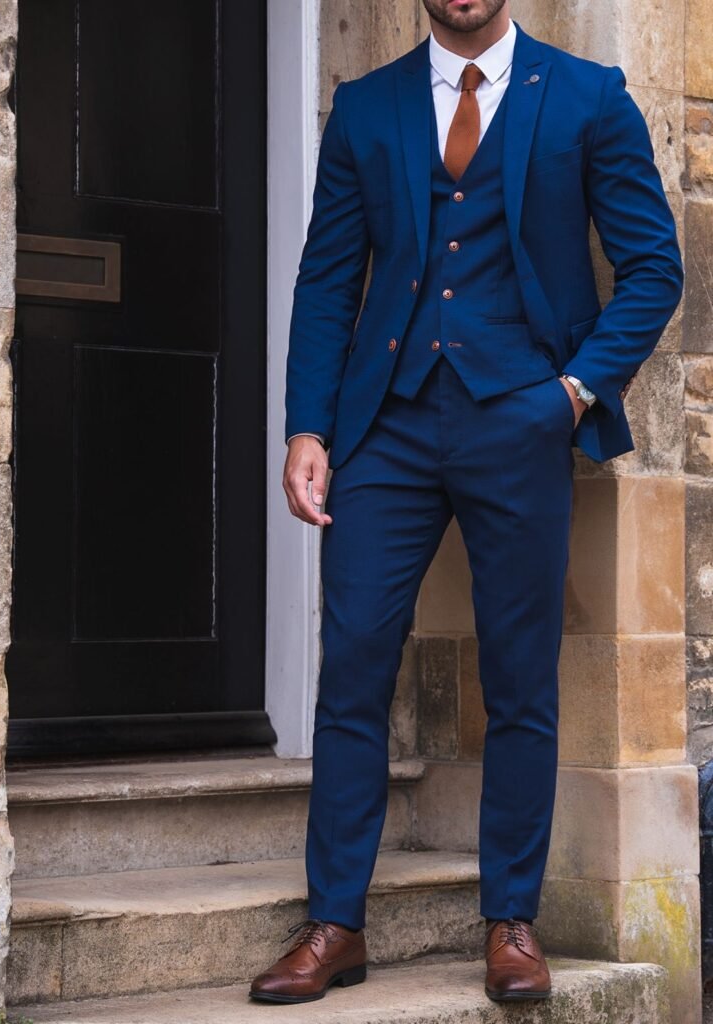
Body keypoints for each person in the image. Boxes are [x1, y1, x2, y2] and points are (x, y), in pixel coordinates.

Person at [250, 0, 683, 1005]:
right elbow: (326, 281)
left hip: (519, 421)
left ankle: (511, 922)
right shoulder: (365, 106)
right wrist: (307, 429)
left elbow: (651, 267)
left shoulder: (587, 98)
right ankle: (334, 922)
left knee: (519, 677)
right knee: (353, 661)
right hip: (385, 428)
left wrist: (570, 391)